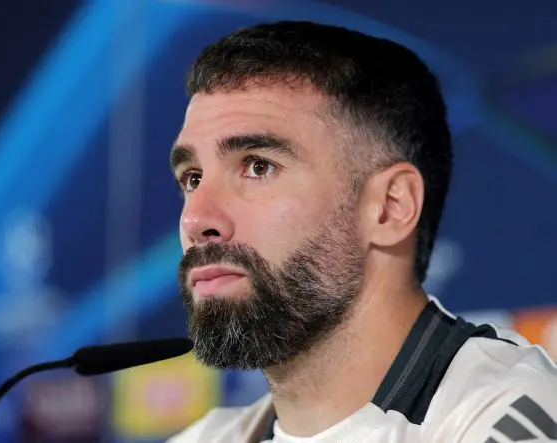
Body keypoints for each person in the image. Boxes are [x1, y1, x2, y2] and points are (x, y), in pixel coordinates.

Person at [167, 21, 557, 442]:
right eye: (192, 178)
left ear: (391, 207)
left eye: (258, 166)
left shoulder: (506, 414)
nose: (195, 220)